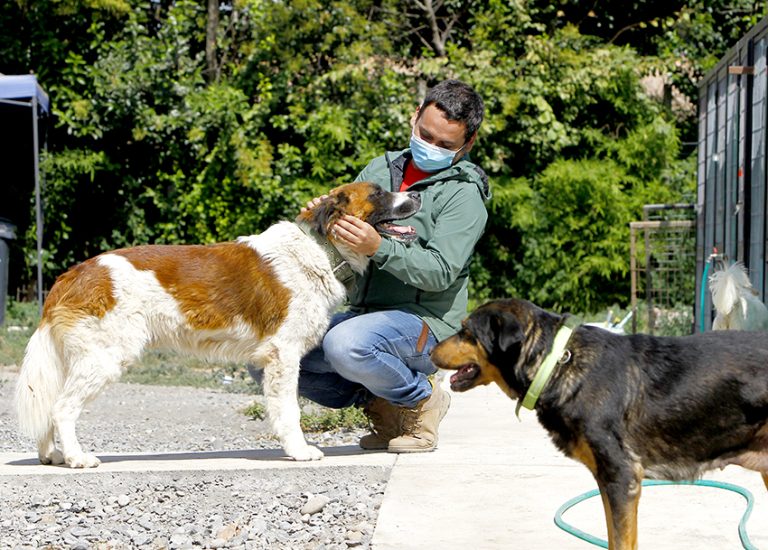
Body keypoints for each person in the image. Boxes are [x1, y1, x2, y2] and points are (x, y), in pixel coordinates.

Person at [297, 79, 490, 453]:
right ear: (415, 117)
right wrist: (321, 221)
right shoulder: (378, 168)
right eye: (425, 134)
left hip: (426, 324)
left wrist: (378, 247)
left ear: (469, 143)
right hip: (365, 315)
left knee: (345, 344)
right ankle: (380, 403)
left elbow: (439, 272)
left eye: (445, 145)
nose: (431, 148)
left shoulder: (464, 195)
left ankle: (421, 400)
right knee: (271, 354)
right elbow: (338, 256)